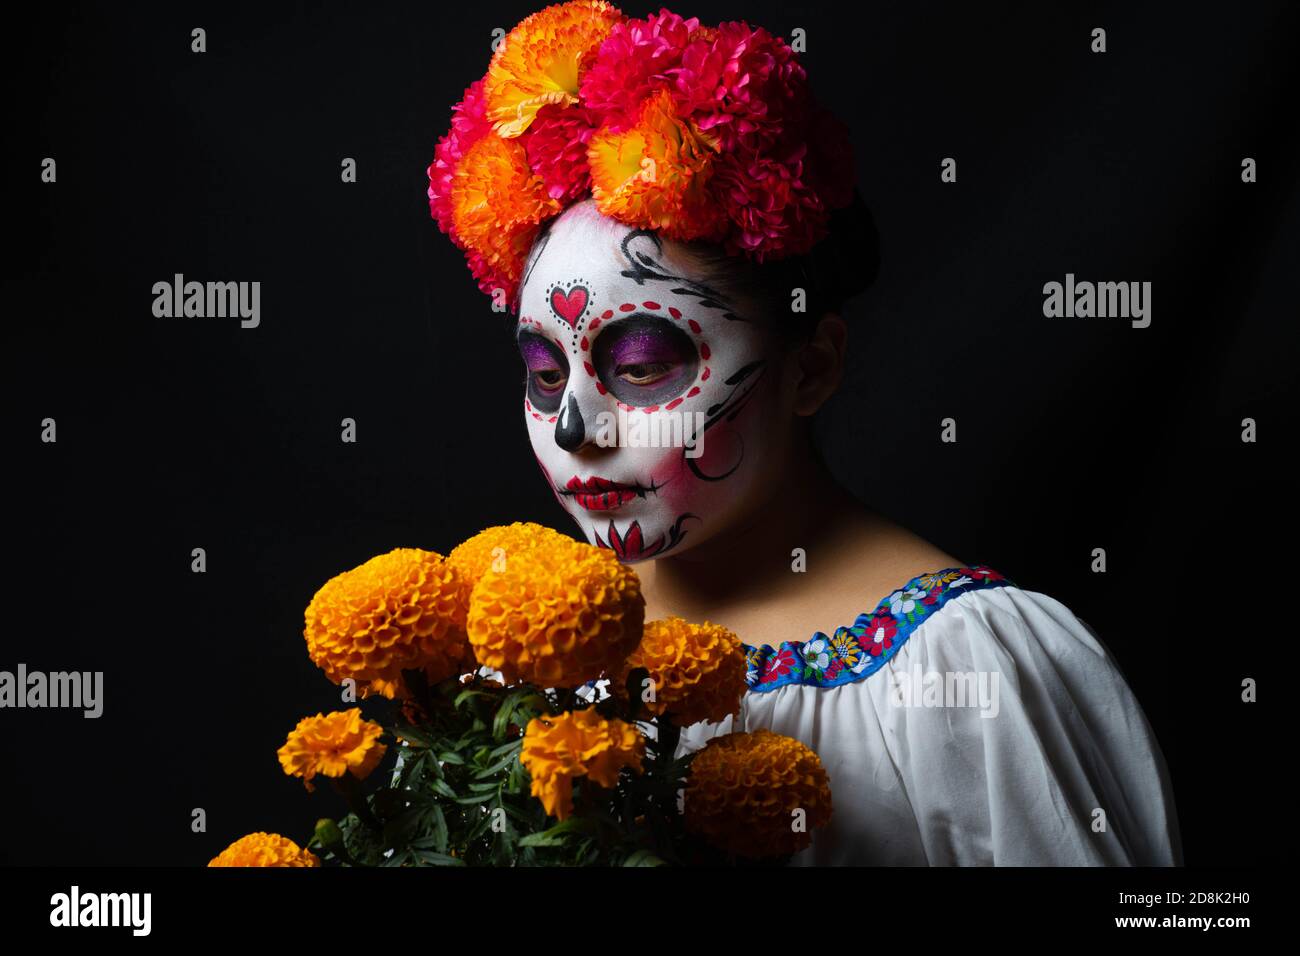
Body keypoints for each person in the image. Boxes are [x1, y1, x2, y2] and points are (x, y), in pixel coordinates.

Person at [427, 0, 1182, 865]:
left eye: (641, 370)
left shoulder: (976, 674)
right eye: (546, 375)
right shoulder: (511, 661)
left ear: (811, 367)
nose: (573, 429)